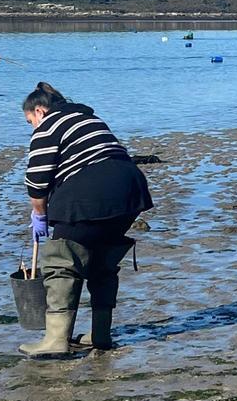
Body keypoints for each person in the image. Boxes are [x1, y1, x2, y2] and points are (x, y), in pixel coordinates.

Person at [19, 82, 153, 357]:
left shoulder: (49, 125)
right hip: (130, 188)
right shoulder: (88, 118)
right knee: (102, 260)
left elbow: (37, 179)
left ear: (39, 110)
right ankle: (100, 335)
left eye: (29, 121)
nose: (31, 127)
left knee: (61, 262)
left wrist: (39, 215)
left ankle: (56, 340)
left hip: (91, 190)